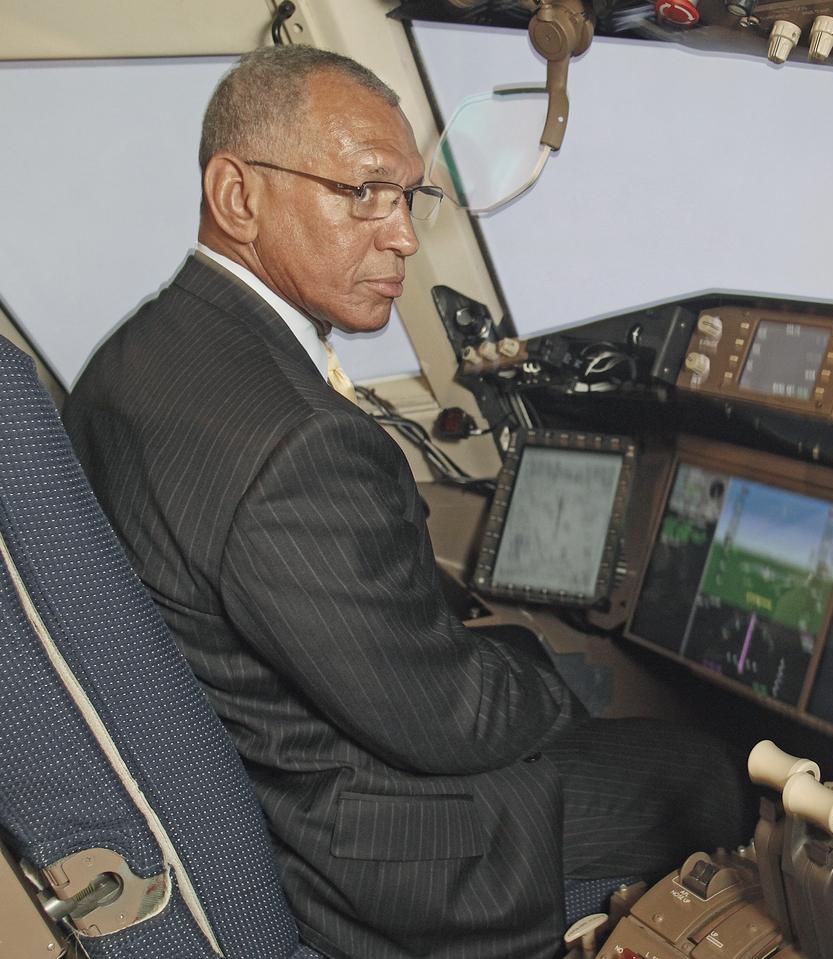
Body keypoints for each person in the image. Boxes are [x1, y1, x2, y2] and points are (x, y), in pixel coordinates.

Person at [63, 45, 748, 959]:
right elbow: (447, 721)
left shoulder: (128, 359)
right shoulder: (298, 443)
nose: (403, 237)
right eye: (363, 193)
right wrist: (546, 671)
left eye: (408, 198)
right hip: (388, 854)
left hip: (271, 759)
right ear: (238, 197)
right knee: (701, 762)